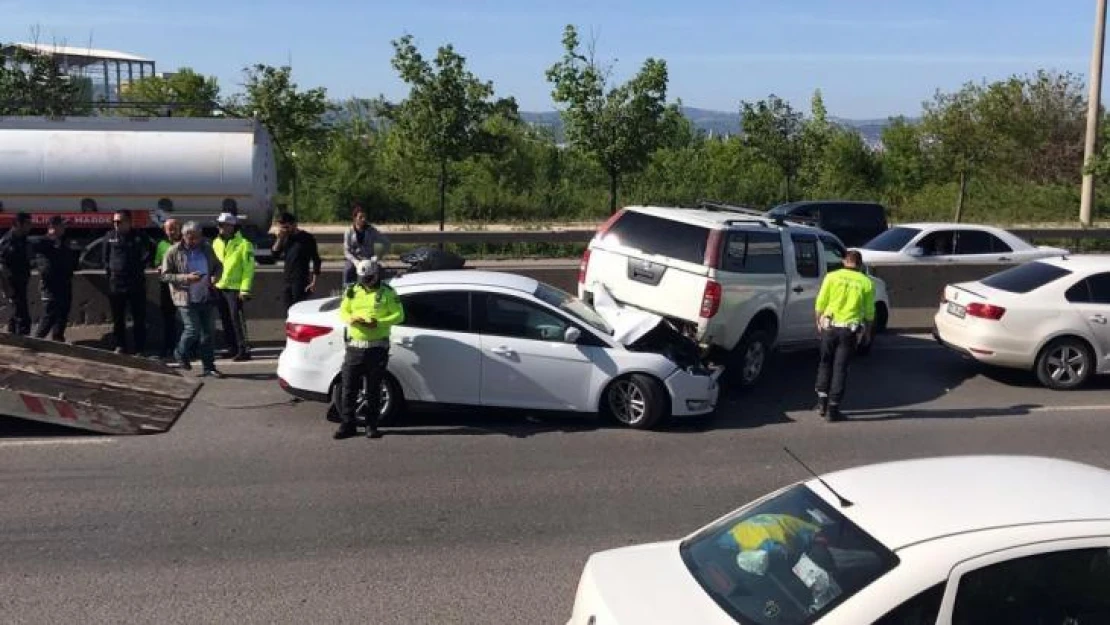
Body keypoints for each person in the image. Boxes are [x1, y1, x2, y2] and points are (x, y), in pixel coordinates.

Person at [335, 257, 404, 440]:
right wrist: (351, 319)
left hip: (377, 348)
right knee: (349, 388)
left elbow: (399, 315)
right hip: (355, 347)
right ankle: (348, 424)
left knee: (374, 389)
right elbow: (343, 311)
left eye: (369, 279)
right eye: (362, 279)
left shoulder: (388, 292)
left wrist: (379, 322)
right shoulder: (352, 291)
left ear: (376, 275)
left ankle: (371, 425)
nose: (365, 282)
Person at [813, 249, 875, 421]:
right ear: (860, 265)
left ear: (844, 261)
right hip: (849, 331)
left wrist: (818, 322)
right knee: (840, 368)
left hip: (829, 327)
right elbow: (870, 312)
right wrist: (868, 333)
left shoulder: (831, 277)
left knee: (825, 363)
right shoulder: (866, 282)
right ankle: (833, 409)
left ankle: (821, 403)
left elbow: (820, 302)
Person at [161, 221, 224, 378]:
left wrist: (216, 276)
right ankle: (180, 352)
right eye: (191, 238)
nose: (195, 241)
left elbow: (218, 266)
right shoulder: (173, 251)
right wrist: (186, 278)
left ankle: (209, 367)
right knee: (192, 329)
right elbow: (164, 275)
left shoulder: (206, 248)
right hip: (185, 298)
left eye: (198, 237)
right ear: (184, 236)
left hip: (205, 295)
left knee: (208, 333)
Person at [101, 210, 153, 355]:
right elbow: (105, 258)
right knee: (118, 318)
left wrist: (140, 266)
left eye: (119, 222)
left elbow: (149, 252)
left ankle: (140, 348)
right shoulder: (109, 236)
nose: (116, 224)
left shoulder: (139, 236)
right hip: (116, 283)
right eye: (114, 222)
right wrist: (110, 272)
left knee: (139, 318)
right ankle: (120, 345)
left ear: (128, 222)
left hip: (135, 283)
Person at [212, 212, 255, 361]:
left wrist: (245, 289)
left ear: (233, 227)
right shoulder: (216, 242)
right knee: (225, 319)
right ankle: (232, 347)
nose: (221, 227)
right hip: (220, 286)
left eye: (225, 225)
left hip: (235, 288)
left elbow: (248, 269)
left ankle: (244, 349)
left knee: (236, 319)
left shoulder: (244, 244)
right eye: (220, 224)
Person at [32, 216, 76, 342]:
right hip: (51, 285)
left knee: (62, 313)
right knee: (50, 314)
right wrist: (51, 238)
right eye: (61, 225)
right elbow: (34, 244)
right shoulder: (45, 241)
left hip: (64, 283)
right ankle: (36, 341)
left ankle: (58, 338)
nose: (64, 228)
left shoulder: (63, 241)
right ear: (53, 227)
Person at [271, 212, 322, 310]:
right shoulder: (284, 238)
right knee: (288, 310)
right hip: (287, 279)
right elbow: (274, 255)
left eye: (286, 227)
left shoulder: (307, 238)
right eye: (282, 227)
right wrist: (279, 239)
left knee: (298, 309)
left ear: (294, 224)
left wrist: (314, 281)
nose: (285, 230)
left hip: (301, 280)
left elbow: (316, 259)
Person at [0, 211, 33, 335]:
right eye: (27, 223)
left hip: (22, 280)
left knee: (17, 314)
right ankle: (24, 343)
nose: (30, 226)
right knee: (22, 316)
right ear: (18, 224)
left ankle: (14, 338)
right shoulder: (7, 241)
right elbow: (1, 266)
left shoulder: (23, 239)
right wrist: (6, 287)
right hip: (12, 283)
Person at [154, 218, 183, 360]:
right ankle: (168, 347)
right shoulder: (161, 245)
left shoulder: (185, 244)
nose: (171, 232)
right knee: (168, 319)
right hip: (167, 286)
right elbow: (157, 262)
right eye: (168, 229)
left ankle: (188, 348)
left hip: (183, 285)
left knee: (186, 319)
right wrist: (159, 267)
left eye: (174, 228)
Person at [343, 206, 391, 286]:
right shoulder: (349, 231)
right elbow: (346, 251)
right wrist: (355, 261)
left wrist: (377, 256)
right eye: (360, 217)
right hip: (355, 260)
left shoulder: (371, 230)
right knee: (348, 270)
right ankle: (346, 290)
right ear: (355, 218)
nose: (363, 219)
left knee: (380, 271)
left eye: (364, 217)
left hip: (369, 259)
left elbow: (386, 243)